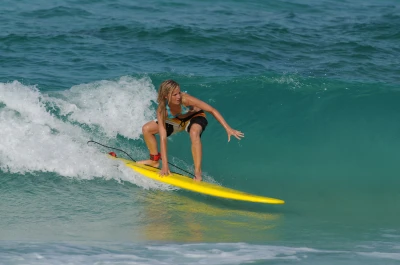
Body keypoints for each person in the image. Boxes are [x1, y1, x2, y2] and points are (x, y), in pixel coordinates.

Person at [138, 79, 244, 181]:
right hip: (177, 120)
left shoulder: (186, 99)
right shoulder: (162, 109)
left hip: (195, 117)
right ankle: (154, 161)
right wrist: (165, 166)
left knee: (194, 132)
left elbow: (212, 110)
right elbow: (162, 136)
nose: (179, 96)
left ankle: (198, 173)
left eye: (179, 92)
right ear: (166, 96)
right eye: (174, 95)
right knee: (147, 129)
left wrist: (228, 128)